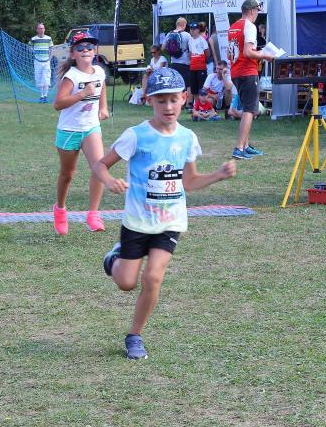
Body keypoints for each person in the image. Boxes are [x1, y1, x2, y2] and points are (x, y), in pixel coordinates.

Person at [93, 67, 236, 360]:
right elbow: (100, 165)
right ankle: (114, 258)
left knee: (153, 278)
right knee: (126, 283)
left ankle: (135, 335)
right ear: (149, 101)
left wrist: (217, 176)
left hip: (170, 222)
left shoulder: (188, 138)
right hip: (137, 222)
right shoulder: (136, 136)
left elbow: (188, 182)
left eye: (173, 99)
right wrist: (108, 181)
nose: (168, 107)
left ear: (184, 98)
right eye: (161, 101)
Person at [52, 30, 109, 235]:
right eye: (80, 47)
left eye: (89, 46)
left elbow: (101, 88)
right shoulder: (71, 76)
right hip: (69, 130)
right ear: (73, 53)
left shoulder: (99, 71)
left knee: (99, 167)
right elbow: (58, 104)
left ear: (94, 51)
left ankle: (93, 214)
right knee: (67, 174)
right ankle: (60, 209)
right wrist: (82, 94)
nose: (86, 50)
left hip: (91, 127)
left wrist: (103, 107)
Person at [227, 0, 274, 160]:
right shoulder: (250, 26)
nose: (257, 15)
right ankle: (239, 148)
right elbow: (248, 52)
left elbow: (232, 53)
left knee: (248, 107)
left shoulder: (233, 27)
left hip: (236, 71)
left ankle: (245, 146)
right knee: (250, 110)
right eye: (257, 12)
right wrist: (265, 55)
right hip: (247, 72)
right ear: (252, 10)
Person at [165, 17, 190, 107]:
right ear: (184, 24)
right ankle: (186, 104)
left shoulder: (169, 34)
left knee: (176, 84)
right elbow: (191, 48)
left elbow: (163, 48)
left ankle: (176, 103)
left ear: (177, 24)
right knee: (186, 84)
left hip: (174, 62)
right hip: (185, 63)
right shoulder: (187, 35)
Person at [187, 22, 209, 109]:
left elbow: (207, 53)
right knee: (194, 88)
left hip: (201, 67)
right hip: (193, 67)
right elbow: (190, 53)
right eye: (191, 29)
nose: (192, 31)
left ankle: (203, 105)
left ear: (198, 30)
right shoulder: (190, 40)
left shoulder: (202, 40)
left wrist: (201, 60)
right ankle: (197, 105)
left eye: (194, 29)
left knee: (201, 87)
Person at [30, 22, 53, 103]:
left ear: (44, 29)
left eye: (43, 28)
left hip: (46, 62)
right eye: (40, 28)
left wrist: (49, 59)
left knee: (46, 79)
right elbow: (29, 47)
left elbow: (51, 49)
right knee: (39, 78)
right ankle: (41, 96)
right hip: (37, 62)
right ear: (37, 30)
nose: (41, 30)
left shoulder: (48, 38)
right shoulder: (33, 39)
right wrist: (34, 52)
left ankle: (45, 96)